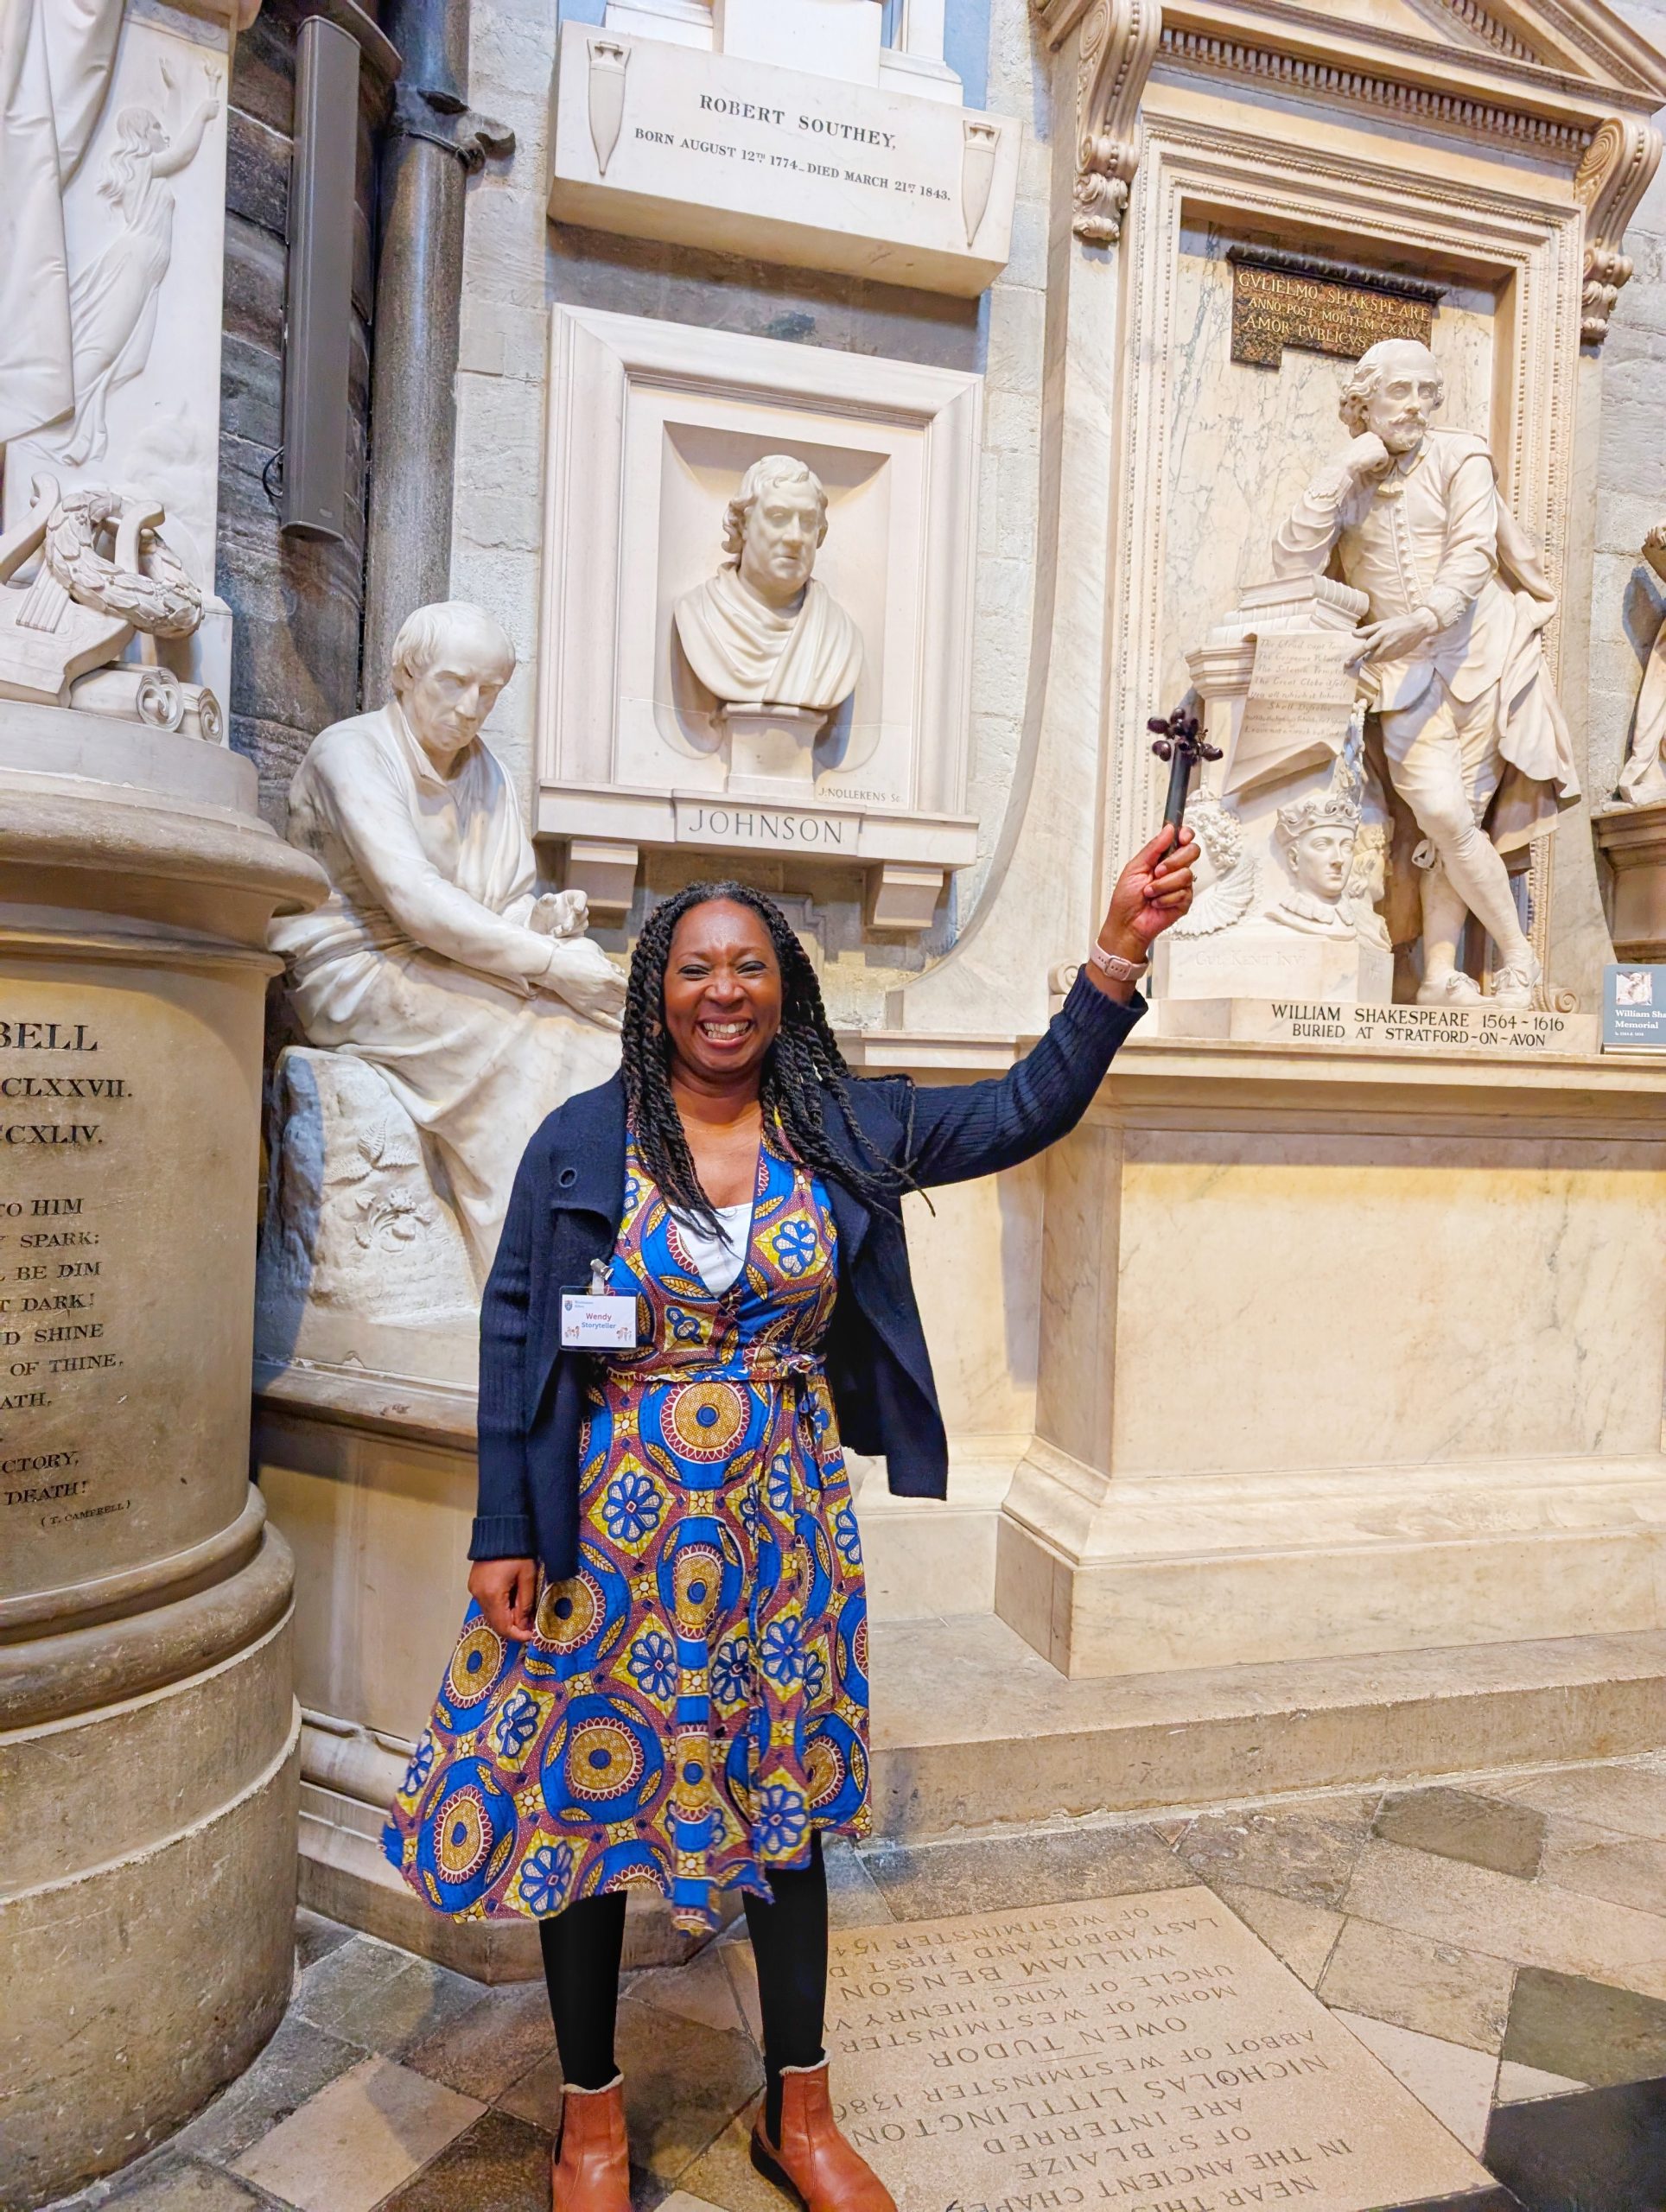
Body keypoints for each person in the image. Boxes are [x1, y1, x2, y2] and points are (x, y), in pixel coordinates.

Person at [384, 823, 1196, 2212]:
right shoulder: (582, 1142)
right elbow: (518, 1325)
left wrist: (1117, 951)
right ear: (657, 990)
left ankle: (798, 2114)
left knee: (788, 1806)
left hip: (782, 1533)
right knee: (584, 1803)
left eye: (748, 966)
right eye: (695, 967)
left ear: (784, 986)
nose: (722, 991)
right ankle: (591, 2120)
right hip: (613, 1526)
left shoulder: (844, 1124)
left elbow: (1023, 1108)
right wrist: (504, 1525)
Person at [270, 601, 625, 1278]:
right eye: (453, 684)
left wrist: (542, 922)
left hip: (448, 957)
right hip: (354, 966)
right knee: (531, 1048)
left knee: (602, 1034)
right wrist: (547, 963)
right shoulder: (352, 752)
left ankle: (597, 1272)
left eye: (489, 692)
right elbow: (413, 900)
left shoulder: (483, 769)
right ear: (406, 674)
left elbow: (499, 900)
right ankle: (523, 1280)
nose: (471, 708)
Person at [1272, 337, 1576, 1007]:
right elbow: (1291, 563)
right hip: (1402, 677)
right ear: (1364, 400)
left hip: (1481, 655)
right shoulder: (1351, 485)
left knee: (1456, 819)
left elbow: (1473, 551)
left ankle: (1440, 975)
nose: (1416, 405)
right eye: (1399, 391)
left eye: (1427, 391)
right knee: (1439, 813)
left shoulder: (1459, 454)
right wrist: (1345, 464)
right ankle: (1519, 956)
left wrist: (1426, 616)